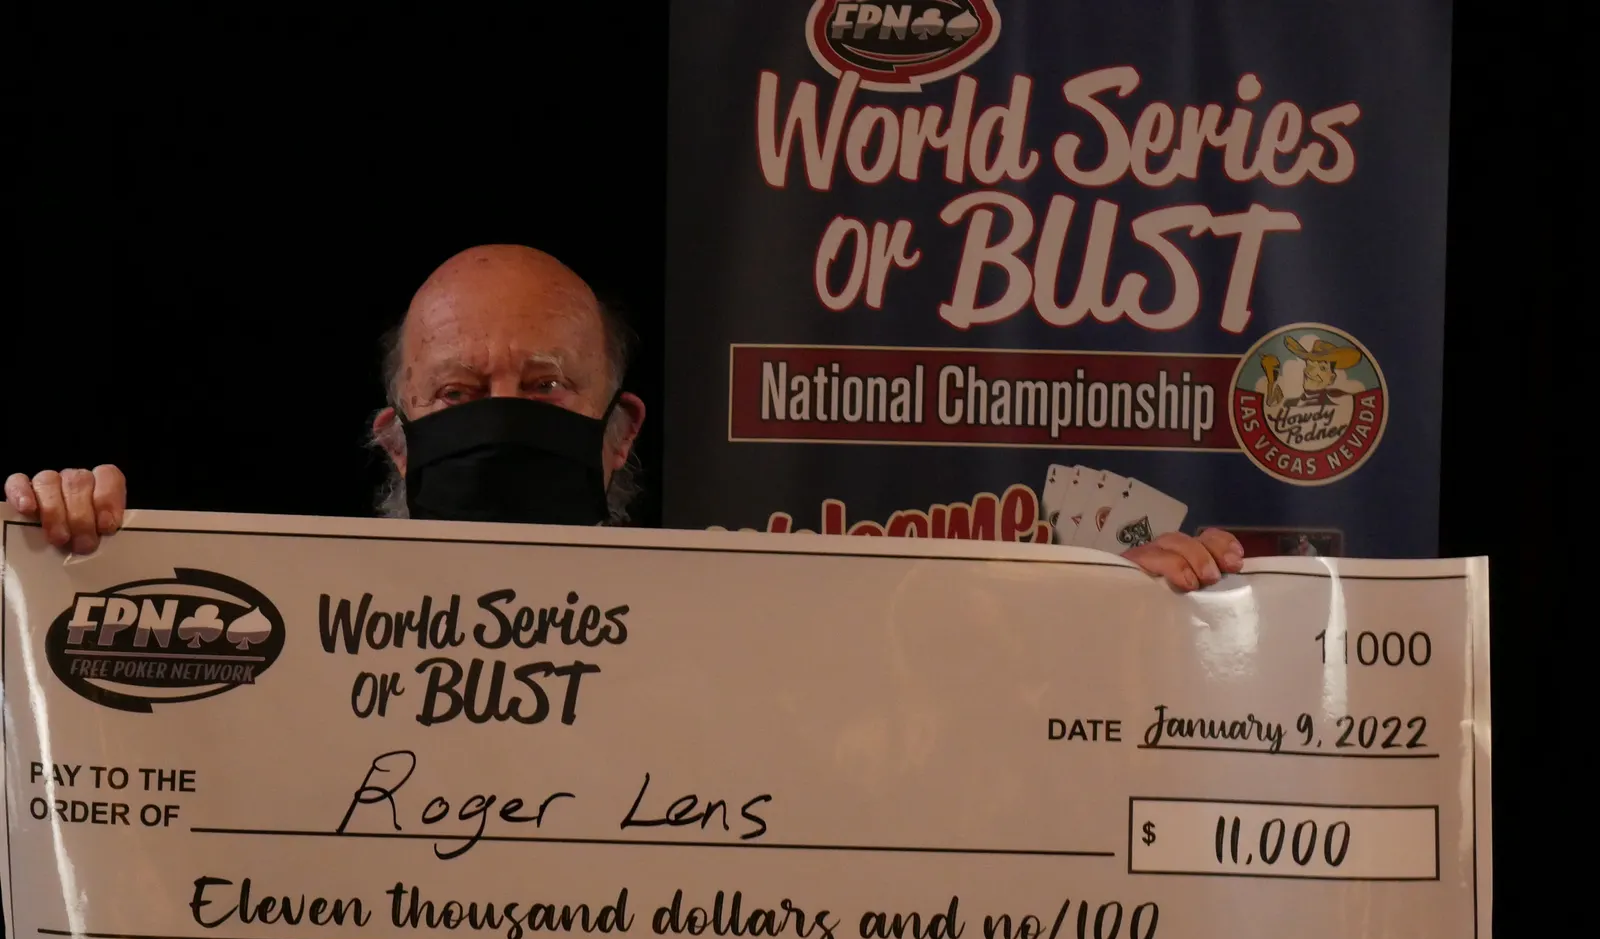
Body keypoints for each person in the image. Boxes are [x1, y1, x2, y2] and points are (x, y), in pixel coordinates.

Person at [4, 244, 1244, 591]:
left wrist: (1123, 623)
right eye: (457, 396)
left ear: (620, 430)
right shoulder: (271, 627)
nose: (501, 420)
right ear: (394, 436)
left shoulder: (741, 625)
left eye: (546, 387)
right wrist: (70, 548)